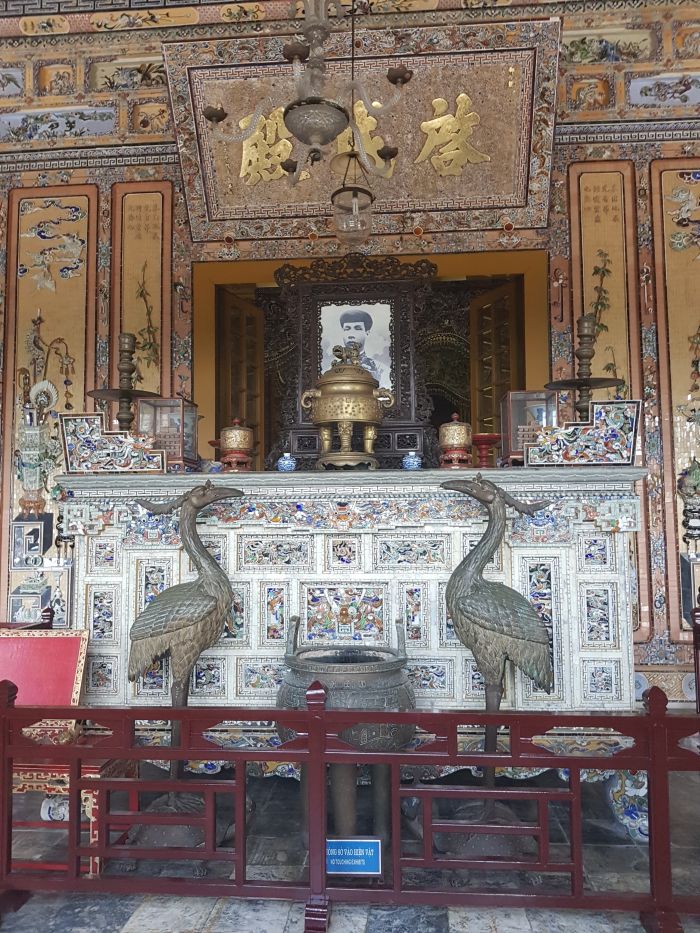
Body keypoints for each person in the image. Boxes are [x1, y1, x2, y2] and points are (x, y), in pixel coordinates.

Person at [339, 308, 384, 384]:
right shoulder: (333, 369)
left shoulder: (379, 370)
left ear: (367, 332)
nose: (351, 335)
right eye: (347, 329)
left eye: (357, 329)